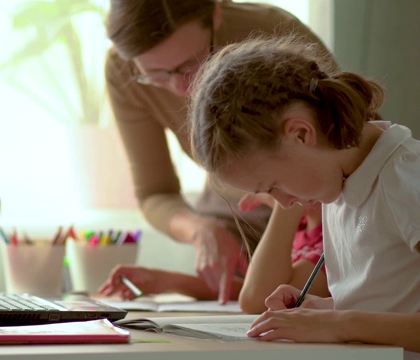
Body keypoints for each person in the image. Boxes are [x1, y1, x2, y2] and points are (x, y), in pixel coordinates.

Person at [188, 35, 420, 359]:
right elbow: (401, 303)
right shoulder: (342, 186)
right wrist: (322, 310)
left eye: (272, 185)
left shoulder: (408, 177)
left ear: (300, 133)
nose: (282, 202)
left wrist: (340, 323)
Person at [104, 0, 336, 303]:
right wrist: (199, 231)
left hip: (312, 200)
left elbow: (350, 130)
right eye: (155, 74)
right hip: (235, 199)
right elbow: (154, 192)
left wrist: (287, 198)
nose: (180, 87)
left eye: (191, 63)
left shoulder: (271, 30)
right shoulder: (122, 70)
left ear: (214, 13)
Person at [98, 194, 329, 313]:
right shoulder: (302, 230)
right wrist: (166, 280)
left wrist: (286, 205)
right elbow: (265, 293)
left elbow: (257, 299)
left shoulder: (332, 241)